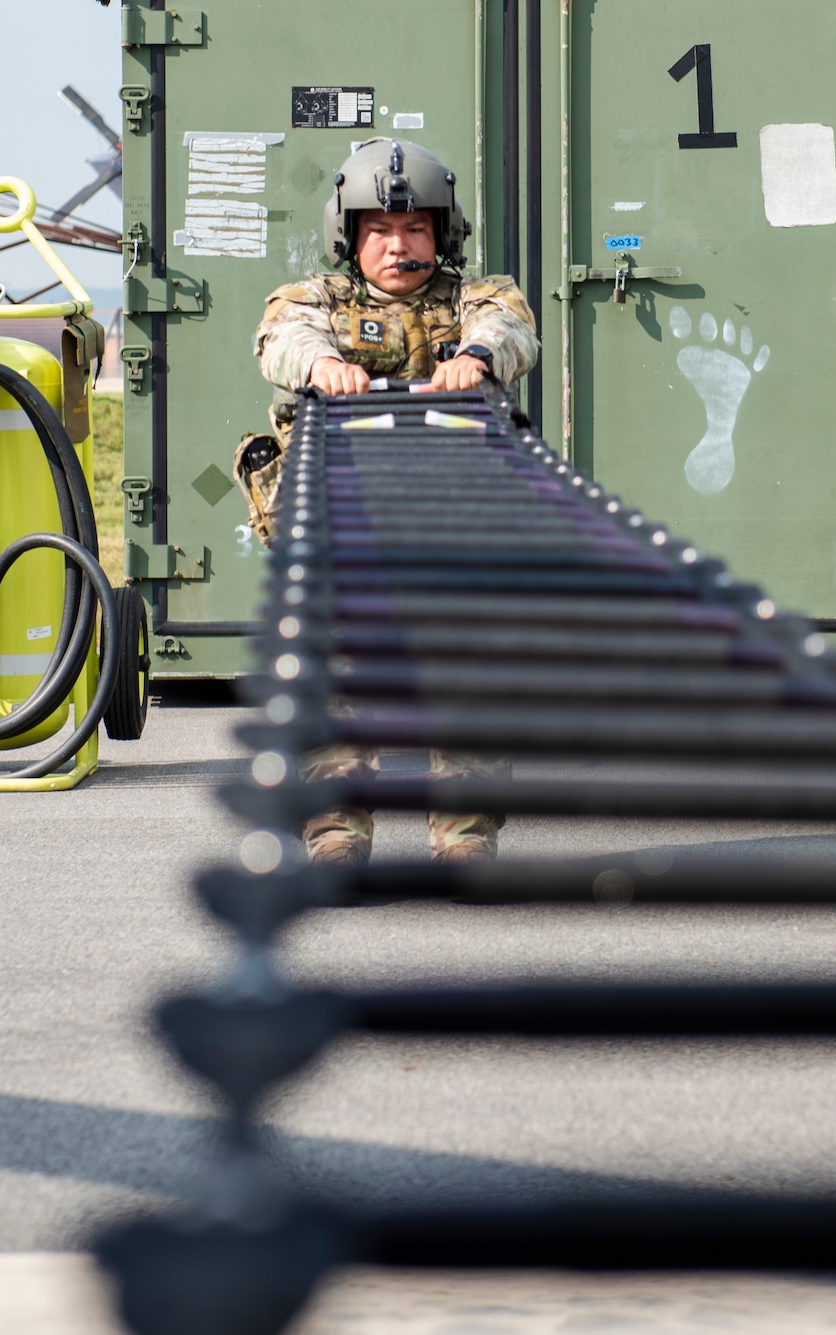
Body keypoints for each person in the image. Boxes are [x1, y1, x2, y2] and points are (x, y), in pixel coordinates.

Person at [243, 138, 538, 866]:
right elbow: (281, 337)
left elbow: (513, 331)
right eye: (380, 231)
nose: (399, 246)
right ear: (352, 237)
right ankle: (335, 832)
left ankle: (464, 839)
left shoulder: (480, 298)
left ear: (442, 234)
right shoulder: (311, 299)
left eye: (414, 230)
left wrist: (474, 359)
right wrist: (323, 364)